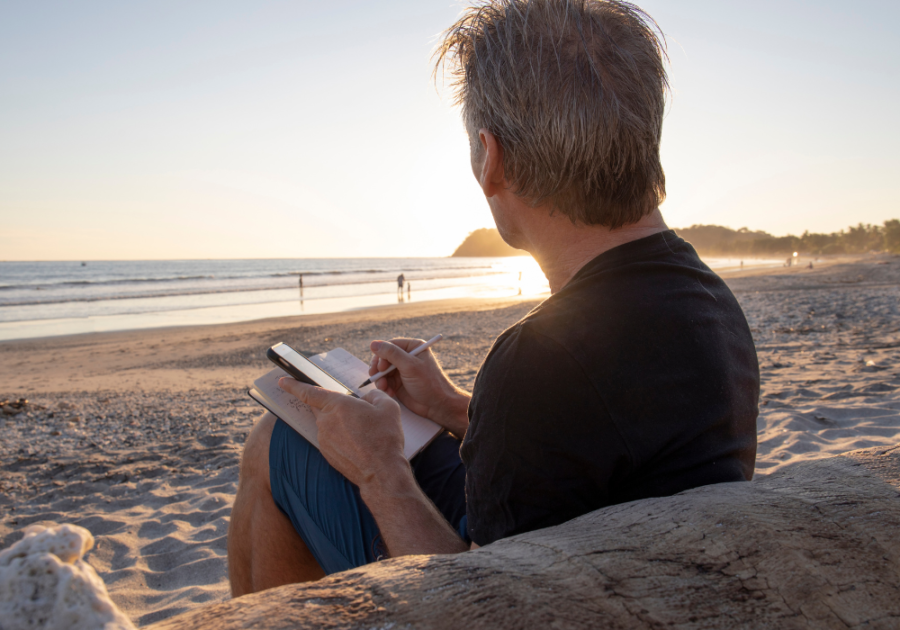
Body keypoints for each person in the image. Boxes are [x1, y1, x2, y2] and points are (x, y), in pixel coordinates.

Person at [227, 0, 759, 595]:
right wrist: (453, 407)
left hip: (562, 595)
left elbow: (479, 600)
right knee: (285, 437)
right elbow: (605, 443)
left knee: (275, 442)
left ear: (491, 158)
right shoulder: (708, 298)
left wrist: (381, 470)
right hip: (630, 561)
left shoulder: (541, 360)